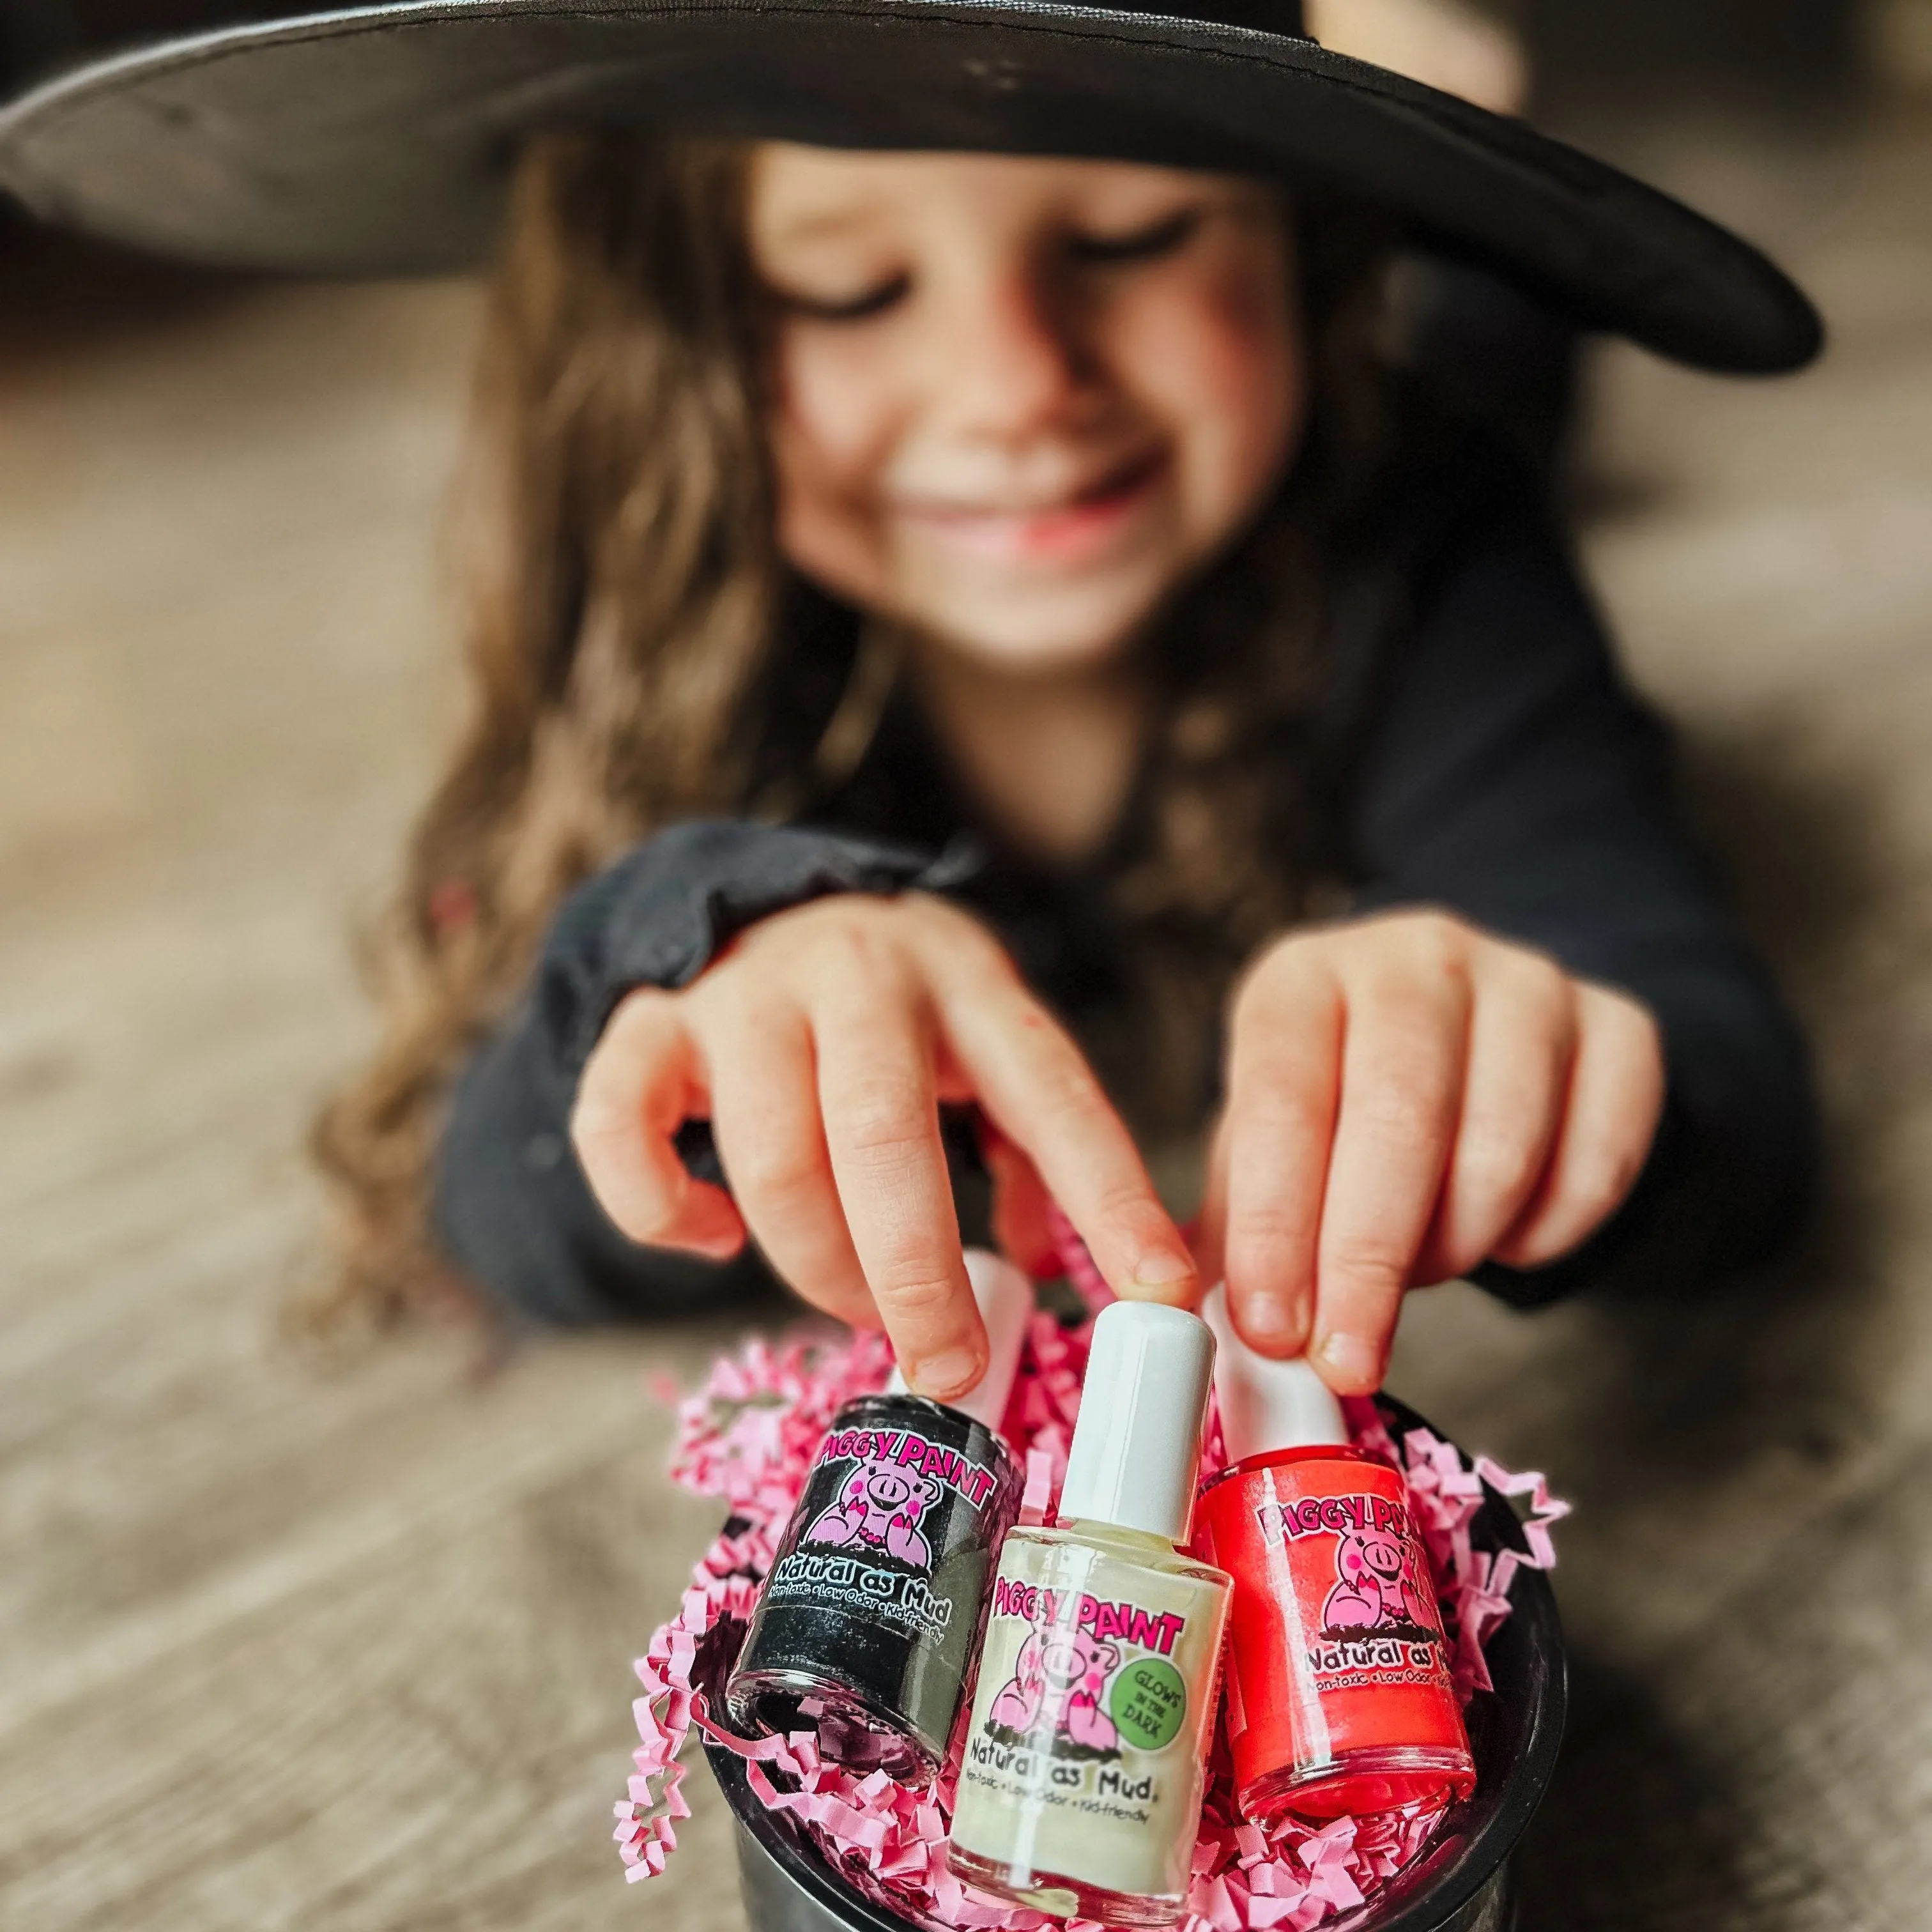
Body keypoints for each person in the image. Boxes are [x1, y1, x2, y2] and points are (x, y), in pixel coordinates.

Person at [0, 0, 1821, 1400]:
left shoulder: (1422, 549)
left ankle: (1436, 119)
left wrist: (1586, 1070)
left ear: (1293, 245)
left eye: (1128, 236)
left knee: (1485, 357)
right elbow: (496, 1193)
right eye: (849, 281)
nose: (1018, 385)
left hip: (1404, 385)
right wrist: (683, 994)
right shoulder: (697, 625)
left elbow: (1726, 1085)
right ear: (671, 349)